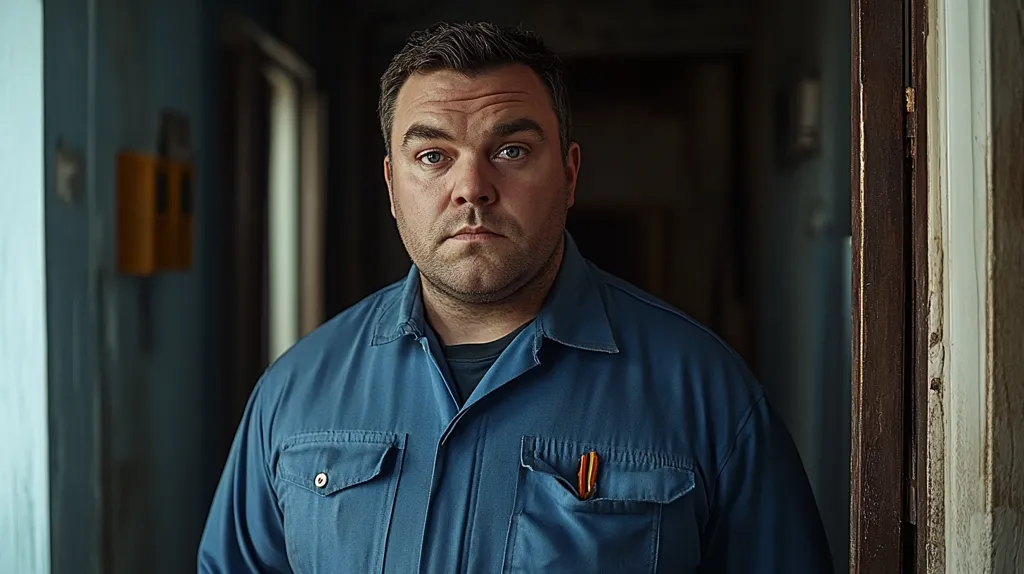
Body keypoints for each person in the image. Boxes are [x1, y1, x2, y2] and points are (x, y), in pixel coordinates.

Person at [198, 21, 833, 574]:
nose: (471, 187)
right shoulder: (295, 392)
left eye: (511, 150)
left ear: (570, 174)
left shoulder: (707, 393)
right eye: (433, 156)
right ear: (393, 186)